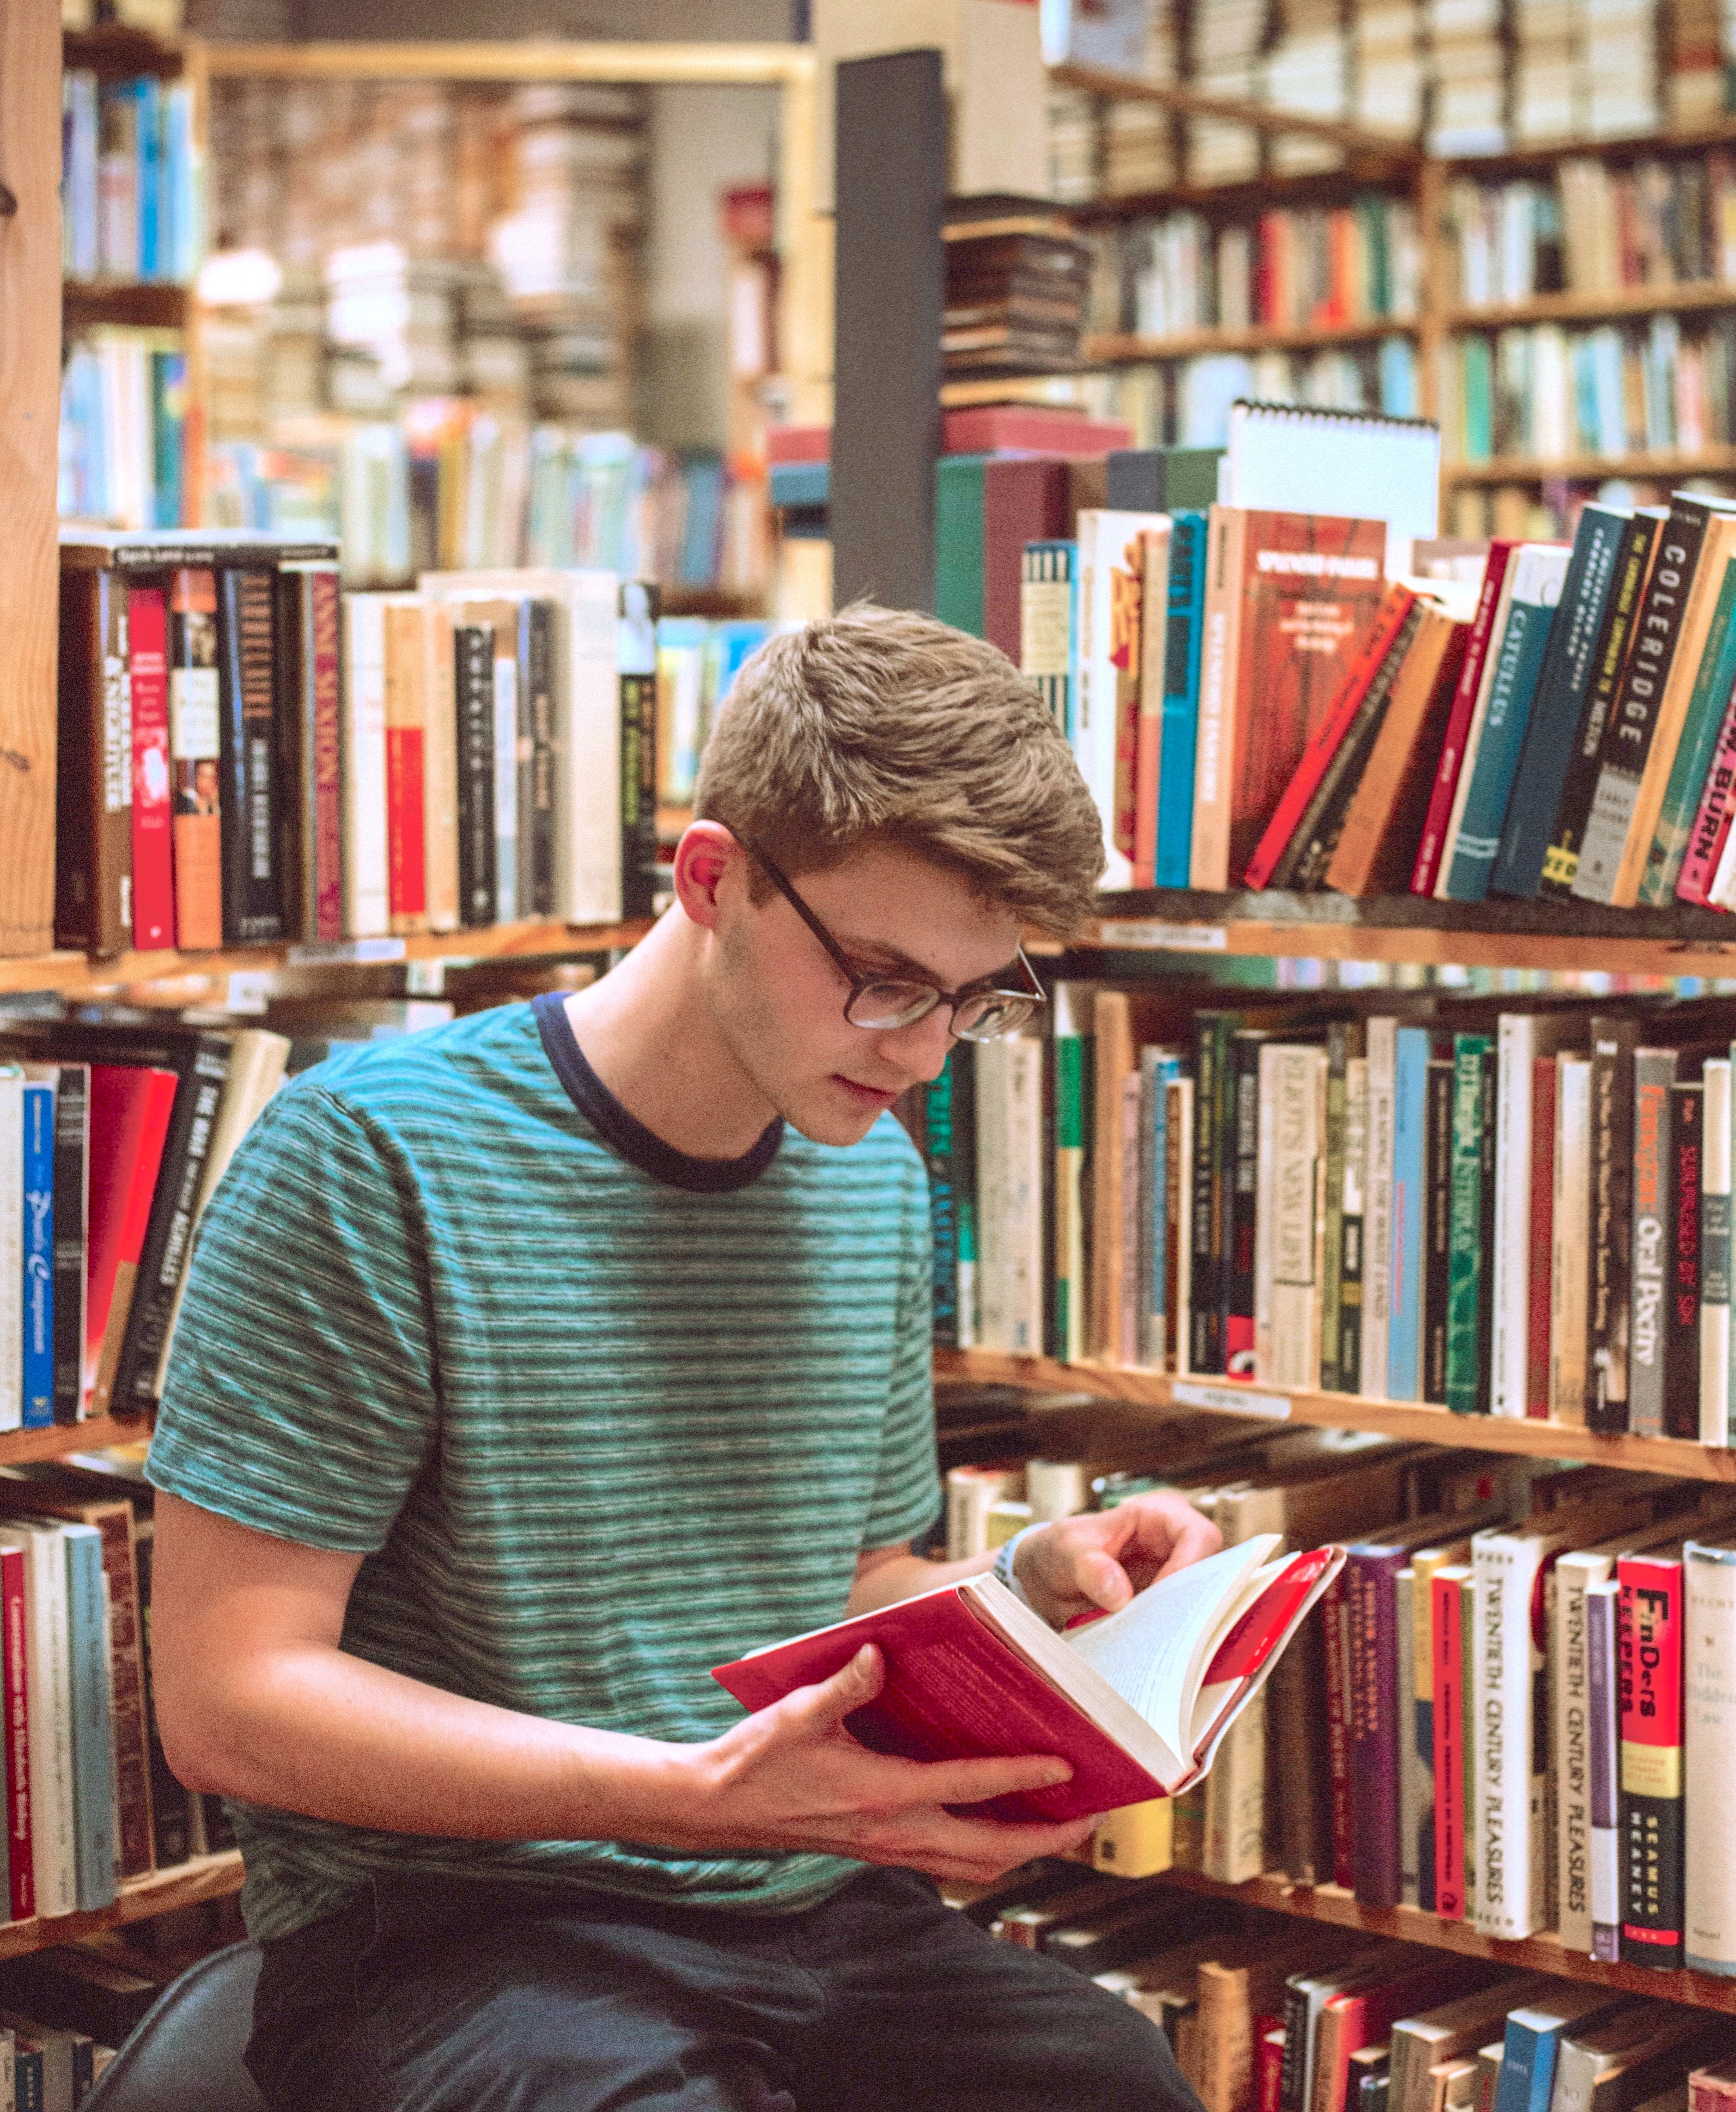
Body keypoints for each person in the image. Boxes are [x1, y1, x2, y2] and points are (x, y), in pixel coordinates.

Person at [149, 606, 1221, 2112]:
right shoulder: (371, 1156)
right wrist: (686, 1796)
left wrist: (1037, 1589)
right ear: (709, 876)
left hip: (810, 1905)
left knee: (1123, 2083)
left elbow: (848, 1585)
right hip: (459, 1931)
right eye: (885, 975)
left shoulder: (868, 1172)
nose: (921, 1048)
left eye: (977, 999)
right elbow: (226, 1696)